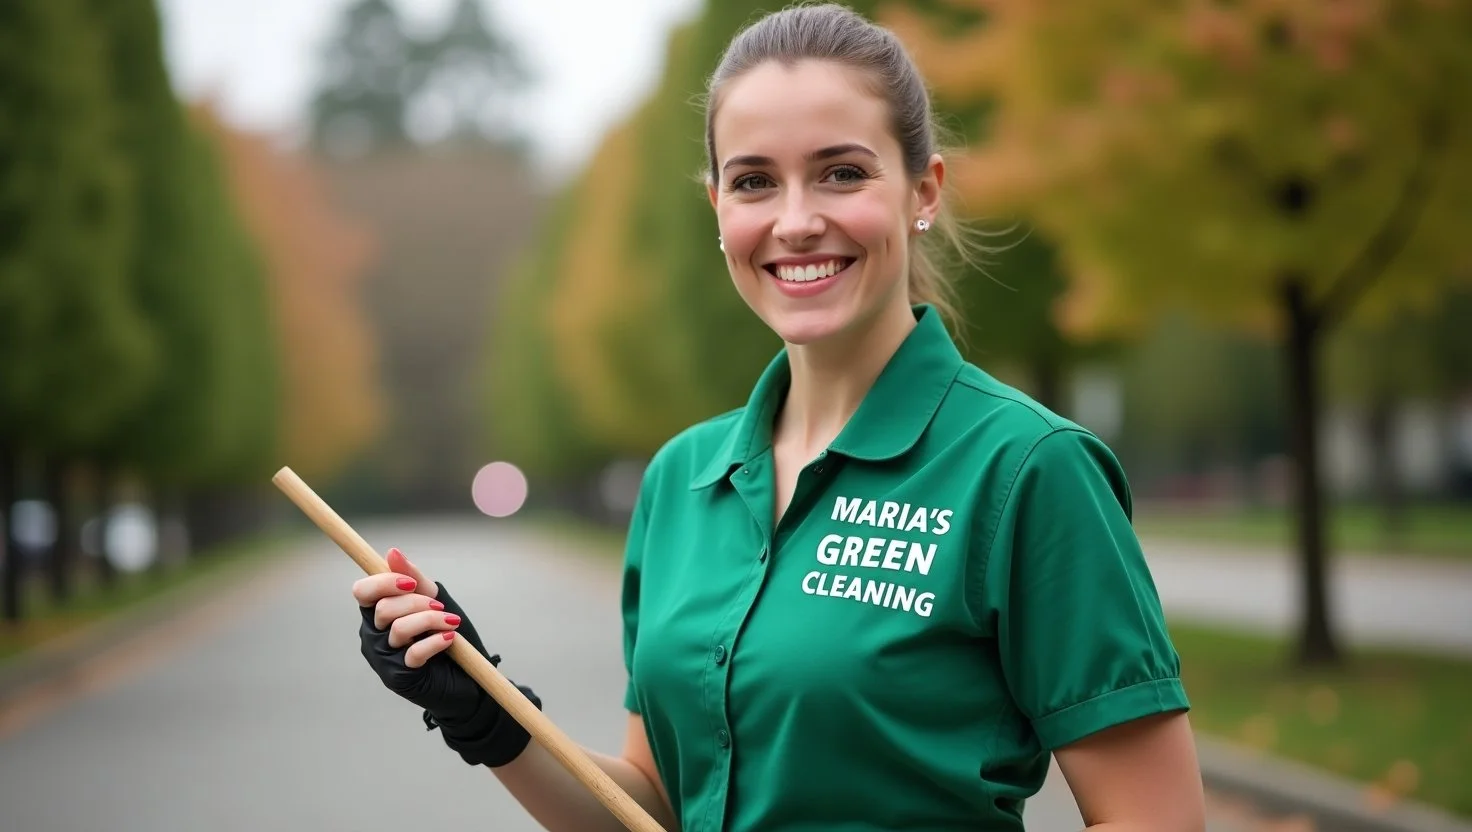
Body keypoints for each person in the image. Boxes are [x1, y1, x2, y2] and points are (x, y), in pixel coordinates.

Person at [352, 3, 1207, 830]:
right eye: (754, 181)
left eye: (843, 172)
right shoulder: (680, 480)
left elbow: (1157, 816)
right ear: (719, 209)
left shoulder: (1030, 470)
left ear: (924, 189)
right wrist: (489, 714)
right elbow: (654, 801)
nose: (796, 222)